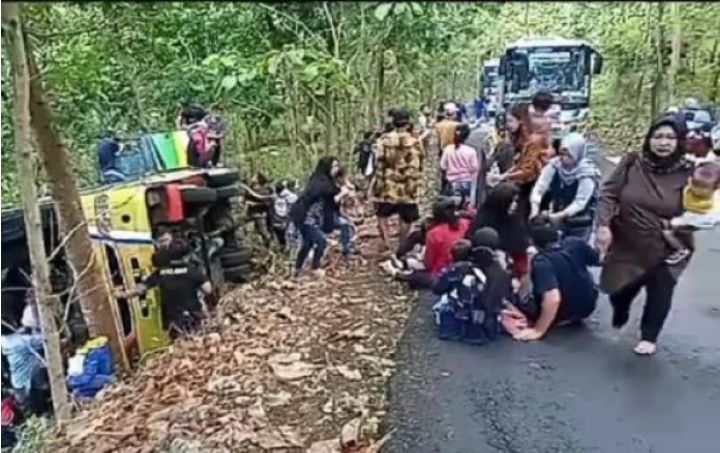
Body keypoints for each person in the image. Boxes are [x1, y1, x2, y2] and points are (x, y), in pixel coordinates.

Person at [596, 113, 694, 356]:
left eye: (670, 137)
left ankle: (649, 335)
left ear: (679, 141)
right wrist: (603, 224)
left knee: (661, 286)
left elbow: (705, 205)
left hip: (669, 242)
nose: (663, 143)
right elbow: (609, 193)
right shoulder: (632, 162)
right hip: (627, 239)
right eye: (658, 136)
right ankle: (622, 305)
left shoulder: (691, 171)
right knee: (619, 289)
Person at [512, 216, 600, 341]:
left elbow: (553, 299)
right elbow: (597, 260)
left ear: (532, 241)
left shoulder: (542, 261)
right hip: (587, 307)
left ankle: (548, 320)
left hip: (561, 314)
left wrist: (539, 330)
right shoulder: (575, 242)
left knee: (519, 294)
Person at [118, 240, 212, 338]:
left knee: (178, 344)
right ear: (185, 257)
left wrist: (122, 294)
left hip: (171, 319)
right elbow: (208, 290)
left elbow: (140, 289)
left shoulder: (161, 272)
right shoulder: (192, 271)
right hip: (192, 315)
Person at [381, 199, 470, 289]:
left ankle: (396, 272)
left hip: (441, 271)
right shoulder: (465, 224)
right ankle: (402, 263)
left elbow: (428, 264)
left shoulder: (434, 234)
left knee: (417, 276)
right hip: (464, 268)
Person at [530, 132, 601, 241]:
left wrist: (559, 215)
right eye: (562, 154)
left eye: (569, 155)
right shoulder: (554, 166)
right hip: (558, 217)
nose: (564, 158)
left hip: (579, 222)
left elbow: (580, 202)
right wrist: (534, 210)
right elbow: (539, 188)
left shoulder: (586, 173)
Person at [371, 108, 423, 253]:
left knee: (382, 215)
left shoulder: (383, 140)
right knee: (406, 217)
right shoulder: (415, 141)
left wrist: (378, 181)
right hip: (408, 183)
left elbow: (378, 162)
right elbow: (419, 162)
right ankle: (402, 243)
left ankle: (387, 243)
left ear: (393, 123)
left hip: (388, 183)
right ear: (408, 123)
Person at [290, 156, 350, 276]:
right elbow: (331, 199)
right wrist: (342, 193)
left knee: (307, 243)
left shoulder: (325, 180)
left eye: (337, 166)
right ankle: (315, 267)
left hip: (315, 217)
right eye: (334, 166)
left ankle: (297, 268)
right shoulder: (320, 182)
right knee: (321, 241)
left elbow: (332, 198)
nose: (336, 169)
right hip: (306, 217)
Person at [661, 161, 720, 264]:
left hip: (701, 217)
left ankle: (681, 250)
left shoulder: (709, 201)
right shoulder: (690, 187)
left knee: (667, 231)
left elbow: (696, 216)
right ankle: (686, 242)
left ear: (715, 187)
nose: (697, 189)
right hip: (692, 215)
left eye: (703, 187)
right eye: (695, 184)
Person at [468, 182, 530, 278]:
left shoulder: (516, 221)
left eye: (516, 201)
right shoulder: (483, 220)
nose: (514, 205)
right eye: (511, 202)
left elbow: (520, 253)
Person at [440, 123, 480, 202]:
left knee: (450, 206)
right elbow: (475, 169)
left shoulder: (448, 149)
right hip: (466, 183)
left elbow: (442, 166)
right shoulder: (471, 151)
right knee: (465, 207)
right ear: (467, 136)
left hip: (451, 183)